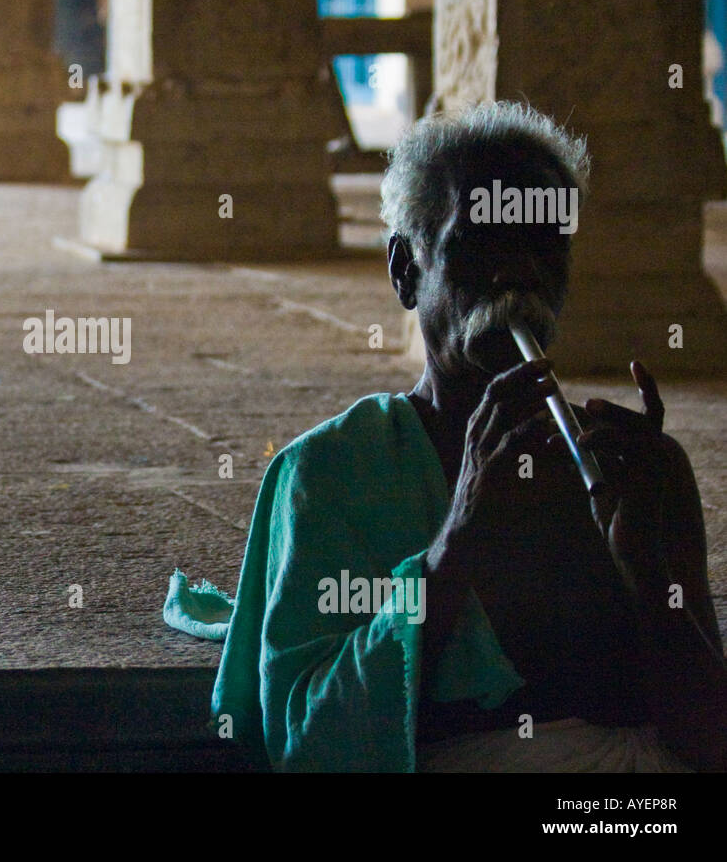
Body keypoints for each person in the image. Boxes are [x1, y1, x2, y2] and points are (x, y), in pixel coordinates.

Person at [200, 101, 727, 771]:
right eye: (483, 241)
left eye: (547, 243)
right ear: (404, 270)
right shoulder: (332, 472)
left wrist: (647, 567)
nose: (522, 271)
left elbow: (710, 743)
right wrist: (457, 543)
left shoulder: (636, 470)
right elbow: (308, 740)